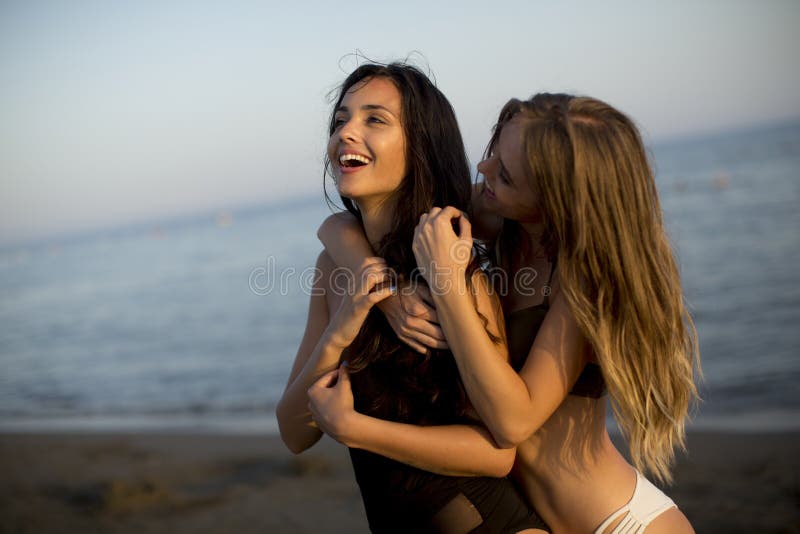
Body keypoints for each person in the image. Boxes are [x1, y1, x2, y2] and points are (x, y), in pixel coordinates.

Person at [311, 93, 700, 533]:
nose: (483, 170)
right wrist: (386, 290)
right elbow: (343, 224)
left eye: (506, 174)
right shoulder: (502, 219)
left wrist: (447, 282)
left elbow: (513, 421)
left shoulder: (583, 284)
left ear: (555, 201)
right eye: (495, 152)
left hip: (618, 522)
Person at [276, 63, 549, 533]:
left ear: (419, 145)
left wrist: (356, 430)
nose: (347, 133)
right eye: (340, 120)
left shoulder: (451, 266)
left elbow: (496, 455)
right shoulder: (335, 266)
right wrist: (341, 330)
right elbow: (294, 432)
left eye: (374, 120)